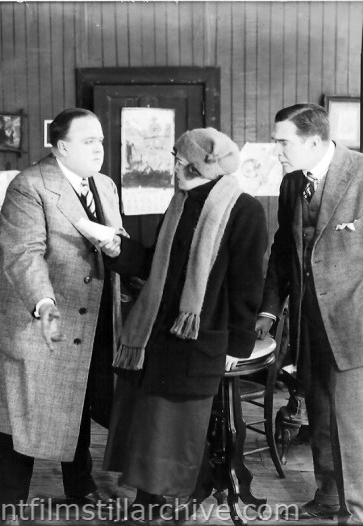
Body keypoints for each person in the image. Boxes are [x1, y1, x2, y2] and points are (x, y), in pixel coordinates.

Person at [255, 104, 363, 524]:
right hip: (308, 324)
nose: (278, 151)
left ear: (312, 141)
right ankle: (328, 498)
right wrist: (269, 311)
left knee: (351, 423)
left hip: (353, 324)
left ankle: (356, 513)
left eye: (282, 142)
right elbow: (282, 253)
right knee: (321, 415)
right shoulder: (292, 184)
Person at [102, 128, 268, 522]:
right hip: (160, 335)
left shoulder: (244, 210)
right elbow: (154, 267)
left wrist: (235, 347)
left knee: (176, 428)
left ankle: (173, 501)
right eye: (175, 159)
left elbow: (248, 285)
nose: (173, 167)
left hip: (201, 338)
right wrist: (116, 249)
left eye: (180, 160)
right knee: (149, 423)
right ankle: (151, 502)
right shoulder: (179, 204)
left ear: (203, 165)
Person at [0, 108, 124, 524]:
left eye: (100, 139)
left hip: (89, 316)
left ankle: (79, 488)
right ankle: (9, 503)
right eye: (88, 141)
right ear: (62, 146)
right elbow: (23, 253)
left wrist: (117, 250)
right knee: (21, 410)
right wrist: (44, 303)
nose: (99, 148)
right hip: (37, 317)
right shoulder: (30, 185)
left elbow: (111, 240)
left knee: (75, 399)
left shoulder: (105, 185)